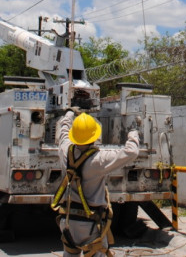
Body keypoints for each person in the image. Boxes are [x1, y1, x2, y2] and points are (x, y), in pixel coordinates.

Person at [51, 110, 139, 257]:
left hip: (67, 221)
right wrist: (134, 132)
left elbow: (64, 133)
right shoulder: (99, 160)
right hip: (90, 224)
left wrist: (68, 115)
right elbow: (132, 152)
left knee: (70, 253)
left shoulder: (66, 151)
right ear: (95, 135)